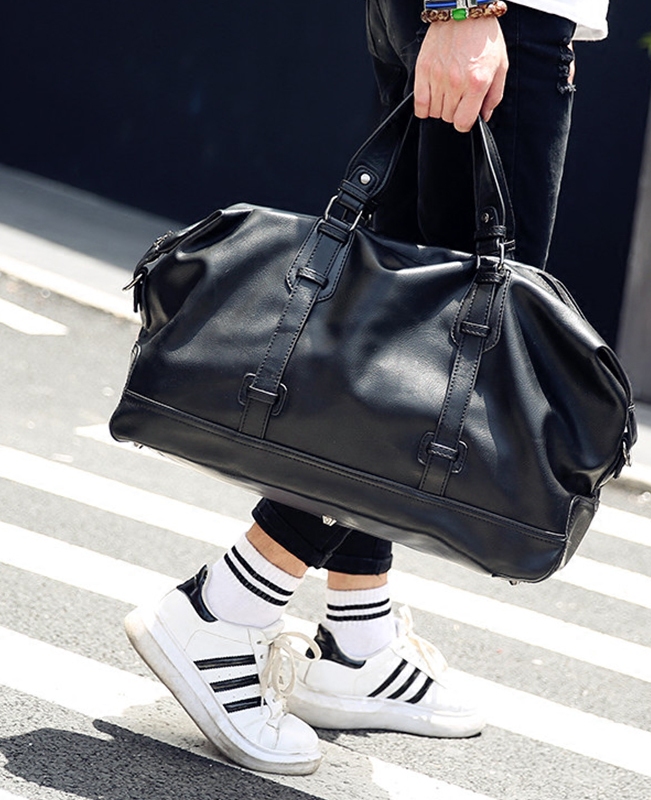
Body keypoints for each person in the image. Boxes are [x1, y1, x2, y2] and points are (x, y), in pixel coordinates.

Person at [124, 0, 609, 776]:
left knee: (400, 351)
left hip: (471, 17)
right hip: (488, 17)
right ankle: (220, 611)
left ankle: (357, 638)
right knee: (443, 356)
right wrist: (465, 10)